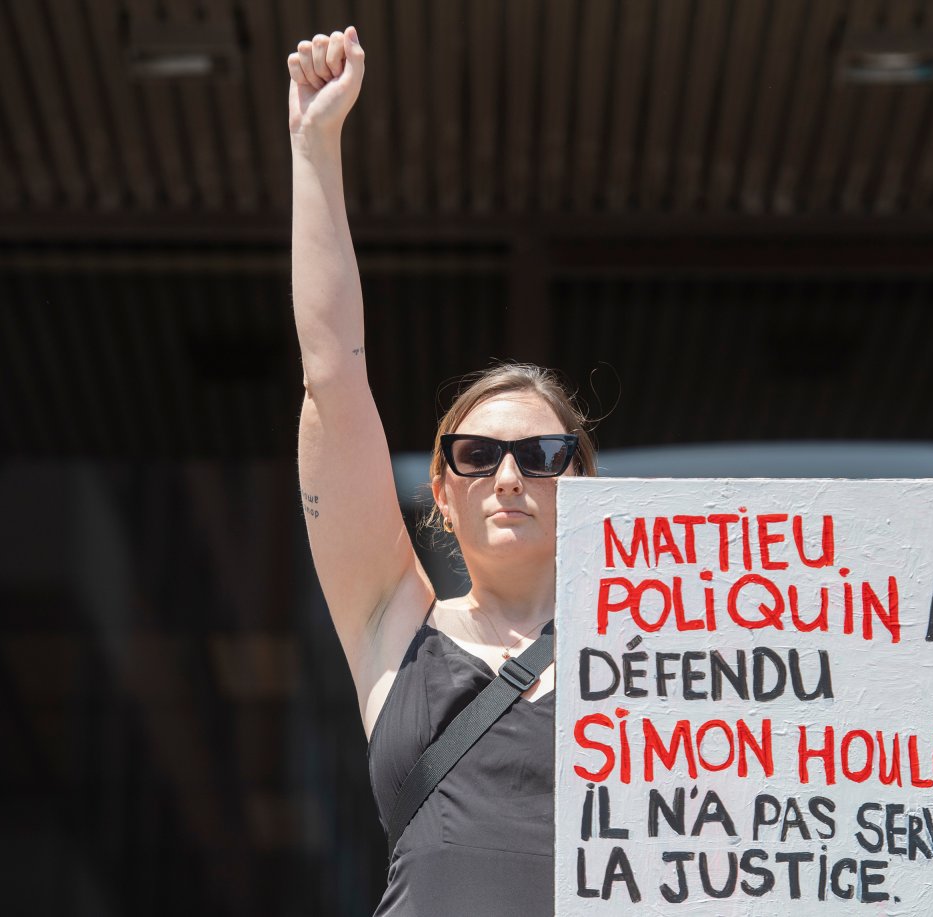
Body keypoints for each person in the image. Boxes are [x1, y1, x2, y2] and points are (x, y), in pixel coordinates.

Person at [287, 26, 597, 917]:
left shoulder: (660, 663)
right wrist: (315, 145)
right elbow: (333, 379)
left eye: (541, 456)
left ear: (580, 484)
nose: (509, 477)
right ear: (443, 491)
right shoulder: (395, 623)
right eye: (477, 454)